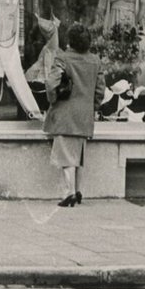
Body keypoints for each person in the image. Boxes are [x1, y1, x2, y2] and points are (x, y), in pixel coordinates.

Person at [45, 23, 100, 207]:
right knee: (79, 155)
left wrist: (53, 100)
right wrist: (92, 107)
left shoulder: (63, 58)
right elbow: (100, 90)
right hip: (85, 115)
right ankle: (78, 190)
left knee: (66, 155)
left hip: (65, 113)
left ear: (70, 41)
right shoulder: (95, 60)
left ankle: (69, 192)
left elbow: (51, 83)